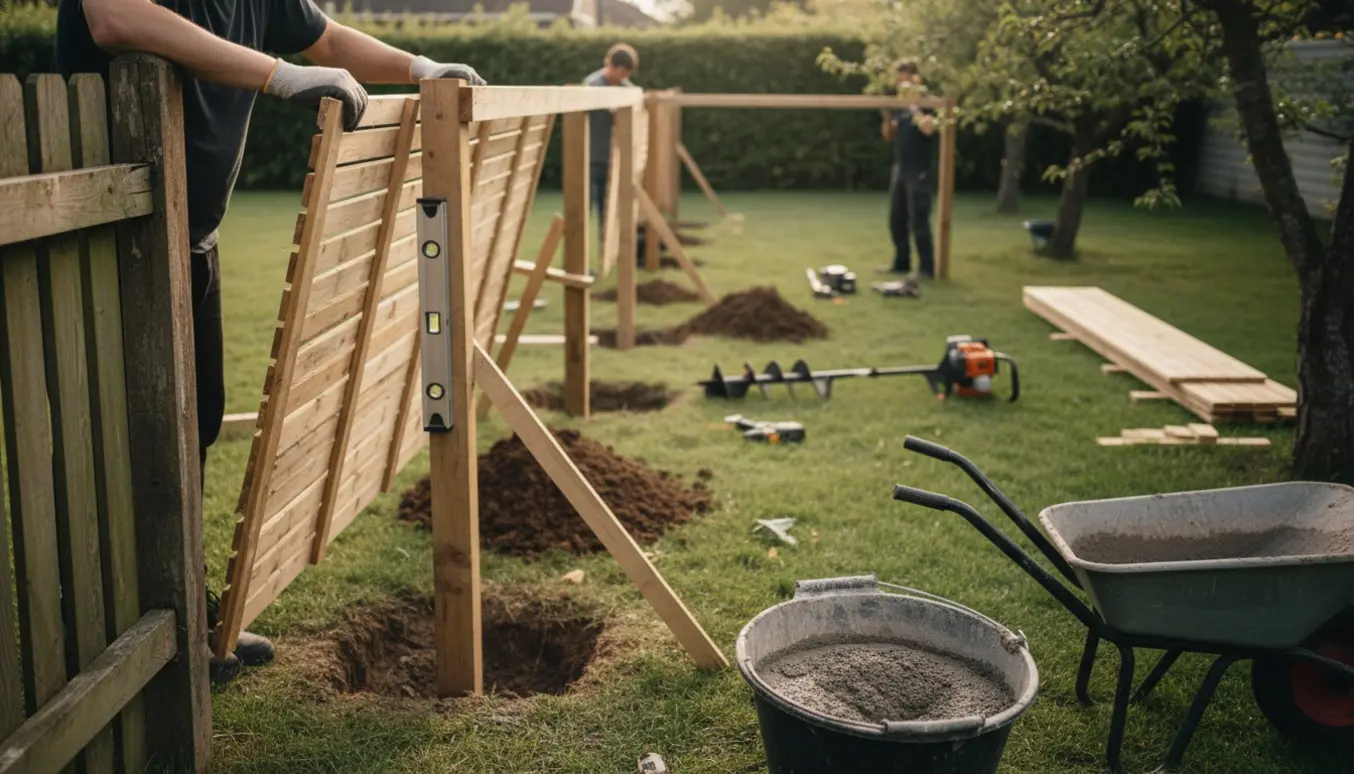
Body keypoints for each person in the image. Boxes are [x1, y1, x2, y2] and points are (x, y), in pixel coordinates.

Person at [53, 0, 485, 683]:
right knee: (116, 445)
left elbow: (328, 37)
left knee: (189, 433)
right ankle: (104, 641)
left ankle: (181, 618)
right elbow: (116, 18)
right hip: (106, 243)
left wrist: (418, 67)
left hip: (190, 241)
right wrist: (280, 77)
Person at [879, 59, 937, 278]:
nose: (900, 80)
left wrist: (913, 107)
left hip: (919, 168)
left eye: (905, 75)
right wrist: (887, 115)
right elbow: (888, 136)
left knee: (919, 219)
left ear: (916, 78)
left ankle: (926, 268)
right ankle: (901, 262)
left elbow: (929, 129)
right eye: (899, 75)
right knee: (896, 218)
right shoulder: (898, 105)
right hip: (901, 168)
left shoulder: (927, 102)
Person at [583, 43, 639, 255]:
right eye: (621, 72)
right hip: (590, 158)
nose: (622, 77)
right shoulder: (593, 84)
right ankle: (580, 261)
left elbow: (635, 102)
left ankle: (605, 254)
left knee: (608, 212)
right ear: (610, 65)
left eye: (626, 74)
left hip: (611, 159)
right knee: (584, 211)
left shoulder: (625, 88)